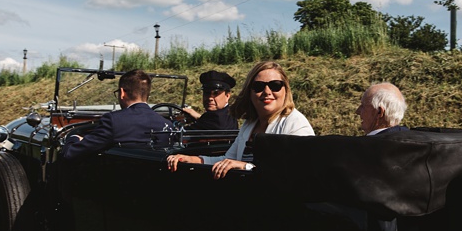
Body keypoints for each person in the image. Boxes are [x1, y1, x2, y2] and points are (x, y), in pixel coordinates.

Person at [165, 61, 314, 179]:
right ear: (250, 92)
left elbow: (299, 174)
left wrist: (246, 167)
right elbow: (227, 160)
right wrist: (194, 160)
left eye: (275, 86)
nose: (267, 92)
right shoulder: (250, 124)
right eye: (259, 86)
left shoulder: (295, 124)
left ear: (285, 90)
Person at [60, 69, 170, 160]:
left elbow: (71, 153)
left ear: (122, 93)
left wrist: (74, 138)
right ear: (147, 94)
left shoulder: (113, 121)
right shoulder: (167, 125)